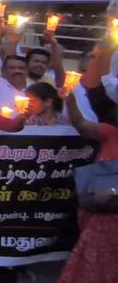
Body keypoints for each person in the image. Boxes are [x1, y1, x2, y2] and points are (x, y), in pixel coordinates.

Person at [56, 91, 118, 283]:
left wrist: (114, 193)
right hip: (97, 212)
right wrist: (71, 101)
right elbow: (81, 125)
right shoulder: (111, 133)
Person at [0, 17, 27, 116]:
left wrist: (13, 43)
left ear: (27, 70)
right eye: (12, 68)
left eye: (21, 68)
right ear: (4, 70)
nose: (17, 71)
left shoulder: (33, 88)